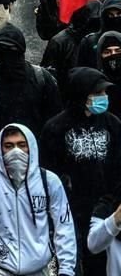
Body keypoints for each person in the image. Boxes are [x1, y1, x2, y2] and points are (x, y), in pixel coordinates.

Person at [0, 124, 77, 276]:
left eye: (22, 145)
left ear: (31, 147)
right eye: (8, 146)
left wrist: (66, 268)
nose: (16, 151)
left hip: (39, 268)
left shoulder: (49, 181)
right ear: (0, 149)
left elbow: (64, 226)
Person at [42, 68, 121, 276]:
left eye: (105, 92)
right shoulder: (56, 128)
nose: (104, 97)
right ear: (81, 94)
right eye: (98, 93)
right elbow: (48, 169)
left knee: (102, 263)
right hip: (71, 210)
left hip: (106, 207)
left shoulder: (112, 124)